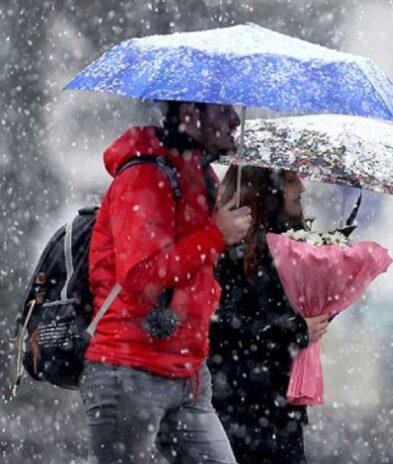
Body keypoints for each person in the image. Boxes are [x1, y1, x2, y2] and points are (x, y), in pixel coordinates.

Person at [82, 101, 252, 463]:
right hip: (129, 371)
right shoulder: (145, 176)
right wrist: (216, 235)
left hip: (188, 375)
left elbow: (199, 268)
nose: (235, 120)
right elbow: (142, 276)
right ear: (190, 111)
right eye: (223, 111)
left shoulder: (202, 176)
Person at [209, 165, 329, 464]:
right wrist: (296, 329)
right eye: (293, 189)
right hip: (239, 406)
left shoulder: (287, 247)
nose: (301, 193)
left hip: (272, 405)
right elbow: (222, 326)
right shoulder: (229, 249)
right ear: (270, 192)